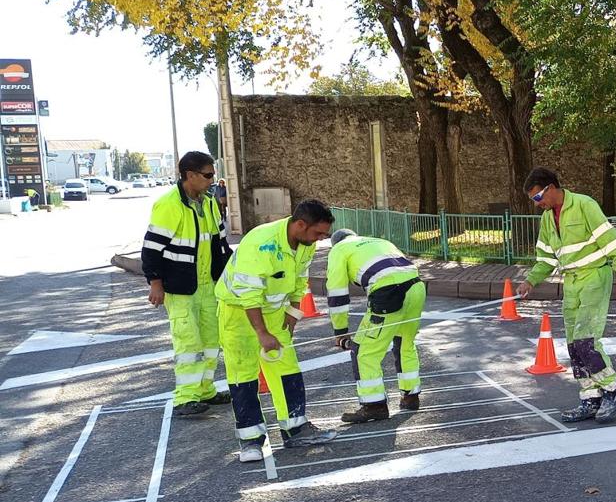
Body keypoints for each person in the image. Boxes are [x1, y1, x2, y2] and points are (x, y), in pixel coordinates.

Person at [215, 198, 339, 462]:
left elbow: (299, 280)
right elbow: (249, 296)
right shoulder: (261, 243)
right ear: (300, 225)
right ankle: (250, 441)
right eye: (318, 233)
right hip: (238, 312)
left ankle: (295, 429)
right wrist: (262, 334)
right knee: (243, 372)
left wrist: (293, 314)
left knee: (286, 367)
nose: (320, 240)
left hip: (273, 313)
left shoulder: (305, 244)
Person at [517, 167, 616, 423]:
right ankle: (590, 399)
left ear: (551, 188)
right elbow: (546, 258)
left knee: (587, 340)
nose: (538, 205)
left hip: (594, 277)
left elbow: (612, 241)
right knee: (574, 345)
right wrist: (530, 281)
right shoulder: (548, 219)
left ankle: (612, 392)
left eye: (538, 198)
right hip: (571, 282)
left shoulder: (584, 205)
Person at [141, 151, 232, 417]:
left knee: (211, 340)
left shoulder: (209, 202)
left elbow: (220, 243)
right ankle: (185, 397)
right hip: (179, 287)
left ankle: (205, 390)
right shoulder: (169, 205)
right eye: (207, 175)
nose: (212, 180)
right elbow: (151, 250)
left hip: (208, 285)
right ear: (189, 175)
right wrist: (155, 283)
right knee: (188, 343)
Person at [325, 229, 426, 423]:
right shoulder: (377, 240)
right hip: (416, 287)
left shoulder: (338, 250)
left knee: (364, 352)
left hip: (388, 293)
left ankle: (374, 406)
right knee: (405, 342)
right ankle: (411, 396)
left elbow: (337, 293)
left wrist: (340, 331)